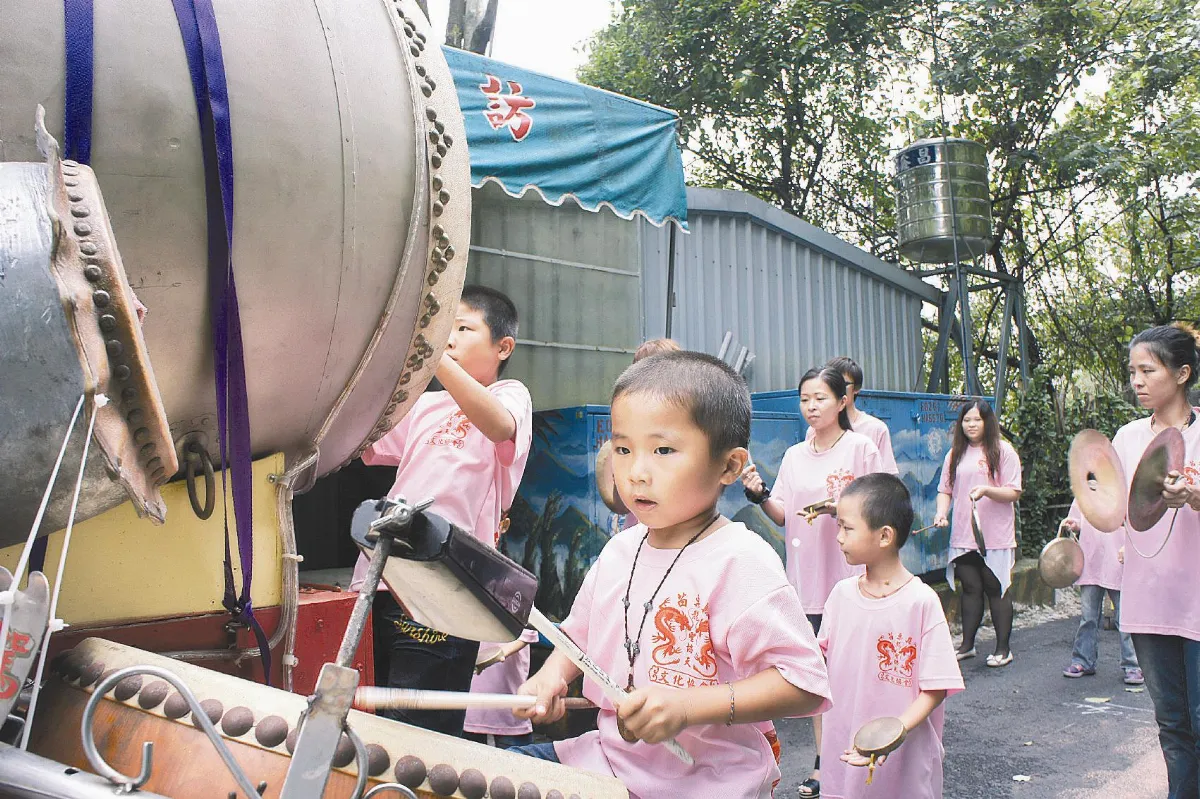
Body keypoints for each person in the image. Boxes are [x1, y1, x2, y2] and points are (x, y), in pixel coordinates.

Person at [514, 351, 832, 799]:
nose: (636, 473)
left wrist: (687, 707)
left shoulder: (740, 560)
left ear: (729, 466)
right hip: (606, 761)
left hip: (710, 784)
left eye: (663, 450)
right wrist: (551, 677)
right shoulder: (620, 550)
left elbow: (802, 684)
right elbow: (576, 639)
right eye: (623, 449)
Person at [349, 285, 533, 737]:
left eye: (463, 328)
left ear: (503, 347)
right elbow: (362, 438)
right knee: (370, 714)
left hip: (446, 583)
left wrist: (434, 359)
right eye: (443, 328)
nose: (448, 337)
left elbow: (500, 426)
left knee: (419, 727)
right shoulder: (425, 404)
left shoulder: (511, 395)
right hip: (382, 574)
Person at [742, 366, 883, 799]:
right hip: (806, 584)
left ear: (842, 401)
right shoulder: (793, 456)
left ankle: (869, 755)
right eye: (805, 399)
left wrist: (841, 509)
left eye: (820, 398)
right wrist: (760, 494)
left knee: (856, 676)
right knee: (821, 679)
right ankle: (825, 765)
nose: (811, 407)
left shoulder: (861, 448)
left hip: (853, 581)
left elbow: (881, 508)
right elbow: (783, 515)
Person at [819, 473, 964, 798]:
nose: (839, 537)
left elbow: (935, 688)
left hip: (905, 766)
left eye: (847, 528)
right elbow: (817, 668)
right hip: (843, 760)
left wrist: (889, 736)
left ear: (884, 535)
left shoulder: (921, 602)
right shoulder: (840, 596)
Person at [1110, 323, 1200, 797]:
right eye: (1133, 372)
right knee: (1172, 724)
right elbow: (1108, 502)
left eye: (1148, 370)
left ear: (1182, 373)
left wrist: (1194, 495)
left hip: (1197, 598)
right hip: (1149, 599)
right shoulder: (1127, 437)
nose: (1137, 381)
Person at [932, 400, 1022, 667]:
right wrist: (941, 513)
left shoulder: (1003, 451)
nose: (971, 425)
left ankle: (1003, 649)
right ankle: (967, 645)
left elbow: (1013, 491)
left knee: (996, 588)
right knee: (970, 589)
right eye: (966, 420)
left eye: (977, 420)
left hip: (994, 535)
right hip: (963, 533)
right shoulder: (955, 454)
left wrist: (987, 491)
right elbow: (945, 490)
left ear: (987, 422)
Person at [1060, 501, 1143, 684]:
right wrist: (1074, 524)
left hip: (1119, 558)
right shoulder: (1085, 491)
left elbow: (1140, 521)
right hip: (1091, 558)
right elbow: (1077, 519)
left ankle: (1133, 665)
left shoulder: (1125, 490)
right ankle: (1083, 660)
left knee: (1125, 618)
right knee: (1088, 617)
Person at [806, 356, 898, 475]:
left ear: (857, 388)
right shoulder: (814, 430)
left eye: (843, 384)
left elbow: (887, 477)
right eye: (830, 384)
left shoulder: (876, 429)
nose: (836, 390)